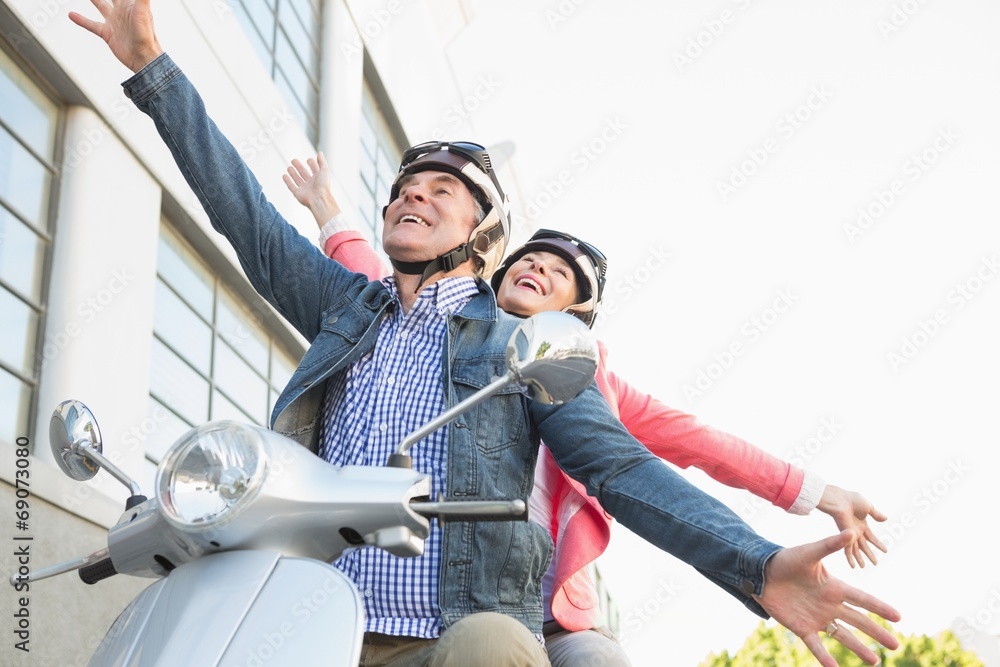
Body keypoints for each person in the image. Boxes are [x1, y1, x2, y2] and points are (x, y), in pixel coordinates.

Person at [69, 3, 900, 666]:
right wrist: (152, 65)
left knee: (496, 645)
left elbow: (621, 464)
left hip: (450, 630)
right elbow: (244, 217)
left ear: (484, 230)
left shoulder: (521, 345)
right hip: (303, 620)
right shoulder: (344, 305)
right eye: (402, 187)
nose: (410, 197)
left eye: (439, 189)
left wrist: (752, 563)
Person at [283, 154, 890, 666]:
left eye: (558, 273)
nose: (536, 269)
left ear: (573, 315)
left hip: (549, 613)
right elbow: (371, 276)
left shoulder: (587, 374)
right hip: (438, 598)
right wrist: (326, 208)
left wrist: (815, 492)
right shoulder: (433, 327)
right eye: (528, 260)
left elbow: (695, 445)